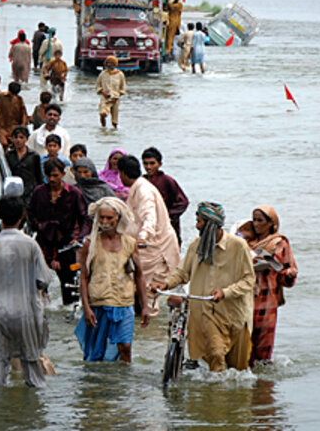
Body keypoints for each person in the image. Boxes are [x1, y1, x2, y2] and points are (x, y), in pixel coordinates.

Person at [151, 202, 254, 372]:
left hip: (234, 312)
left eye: (199, 222)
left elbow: (249, 280)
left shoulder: (238, 246)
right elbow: (182, 273)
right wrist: (165, 283)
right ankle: (215, 396)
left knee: (238, 368)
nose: (196, 226)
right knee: (215, 354)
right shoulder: (196, 246)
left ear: (211, 224)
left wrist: (225, 292)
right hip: (207, 312)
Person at [0, 195, 50, 387]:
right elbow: (43, 279)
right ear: (23, 216)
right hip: (25, 314)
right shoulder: (31, 245)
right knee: (33, 375)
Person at [75, 197, 149, 361]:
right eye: (101, 218)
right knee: (97, 352)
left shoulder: (129, 243)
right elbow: (84, 277)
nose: (105, 222)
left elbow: (139, 275)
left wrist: (145, 306)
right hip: (99, 303)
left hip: (124, 302)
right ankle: (100, 385)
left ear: (118, 219)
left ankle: (123, 383)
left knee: (125, 347)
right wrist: (86, 308)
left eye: (109, 218)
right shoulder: (91, 243)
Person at [117, 155, 180, 317]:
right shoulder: (138, 187)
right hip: (143, 249)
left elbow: (149, 217)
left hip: (154, 248)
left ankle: (150, 332)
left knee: (149, 291)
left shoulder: (144, 190)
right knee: (137, 289)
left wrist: (143, 237)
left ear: (123, 173)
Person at [27, 158, 90, 305]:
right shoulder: (39, 192)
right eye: (49, 176)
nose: (52, 179)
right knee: (37, 282)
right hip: (43, 242)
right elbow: (30, 213)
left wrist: (79, 239)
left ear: (63, 174)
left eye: (55, 175)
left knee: (69, 284)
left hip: (66, 243)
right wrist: (38, 225)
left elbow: (85, 218)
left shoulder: (74, 193)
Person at [247, 205, 297, 366]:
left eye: (260, 220)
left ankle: (264, 388)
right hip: (244, 298)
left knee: (263, 351)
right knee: (242, 348)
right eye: (254, 219)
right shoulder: (246, 241)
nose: (256, 224)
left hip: (267, 301)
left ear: (271, 223)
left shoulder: (279, 243)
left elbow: (286, 272)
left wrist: (289, 274)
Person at [142, 147, 189, 246]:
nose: (148, 167)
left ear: (160, 164)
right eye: (145, 163)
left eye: (152, 163)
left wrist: (167, 216)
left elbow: (183, 202)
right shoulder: (142, 181)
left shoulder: (167, 181)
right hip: (147, 226)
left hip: (167, 228)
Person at [6, 126, 43, 204]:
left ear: (26, 139)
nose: (18, 140)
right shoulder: (8, 155)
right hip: (13, 191)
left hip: (30, 192)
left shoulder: (33, 156)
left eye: (21, 137)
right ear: (12, 139)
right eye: (16, 137)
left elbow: (39, 176)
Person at [0, 81, 28, 148]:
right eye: (12, 94)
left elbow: (24, 114)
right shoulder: (1, 97)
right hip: (1, 127)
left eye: (15, 95)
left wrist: (23, 127)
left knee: (16, 146)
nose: (13, 96)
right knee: (3, 144)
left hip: (15, 128)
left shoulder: (19, 99)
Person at [96, 56, 127, 129]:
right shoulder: (103, 74)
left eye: (111, 63)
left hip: (115, 99)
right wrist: (103, 92)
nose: (109, 65)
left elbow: (123, 88)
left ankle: (114, 132)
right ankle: (103, 128)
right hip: (105, 98)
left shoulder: (120, 74)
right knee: (102, 113)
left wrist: (118, 95)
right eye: (108, 63)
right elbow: (98, 85)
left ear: (115, 64)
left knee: (114, 121)